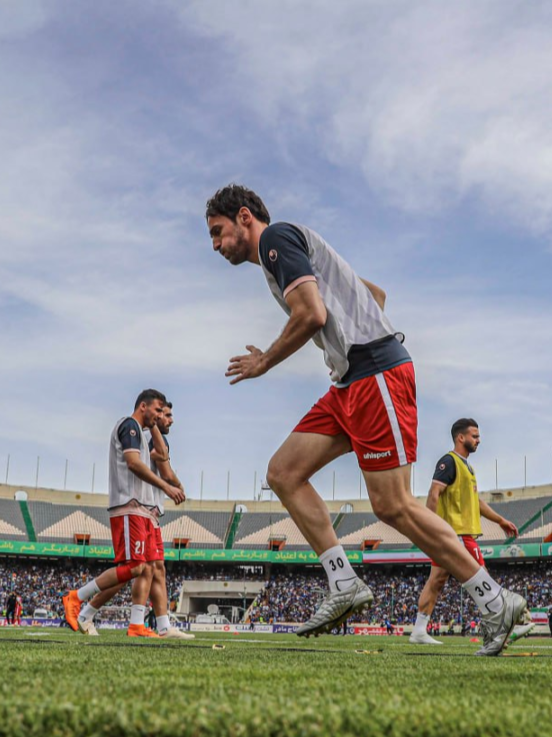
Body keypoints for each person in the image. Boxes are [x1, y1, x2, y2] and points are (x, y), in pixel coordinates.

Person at [205, 185, 526, 657]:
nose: (215, 245)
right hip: (349, 382)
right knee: (283, 472)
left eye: (217, 232)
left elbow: (312, 314)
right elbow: (373, 293)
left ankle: (494, 600)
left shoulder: (275, 240)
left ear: (244, 217)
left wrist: (266, 362)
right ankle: (343, 583)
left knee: (393, 505)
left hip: (374, 372)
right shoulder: (289, 250)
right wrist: (356, 317)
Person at [62, 390, 186, 637]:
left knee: (146, 567)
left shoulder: (143, 432)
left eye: (165, 413)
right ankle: (77, 598)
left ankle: (142, 624)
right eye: (159, 411)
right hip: (130, 505)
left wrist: (155, 428)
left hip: (142, 509)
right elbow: (135, 463)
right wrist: (168, 485)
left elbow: (161, 457)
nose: (164, 417)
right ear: (143, 406)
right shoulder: (129, 426)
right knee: (134, 567)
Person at [408, 419, 520, 646]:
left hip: (458, 534)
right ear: (461, 437)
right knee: (483, 580)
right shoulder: (449, 461)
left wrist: (500, 520)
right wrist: (430, 526)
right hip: (457, 534)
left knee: (436, 581)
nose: (479, 440)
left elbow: (475, 502)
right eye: (475, 436)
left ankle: (419, 630)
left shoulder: (467, 467)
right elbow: (434, 492)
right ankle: (497, 633)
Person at [142, 403, 193, 640]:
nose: (171, 420)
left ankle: (163, 627)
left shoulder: (153, 438)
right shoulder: (155, 438)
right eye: (168, 415)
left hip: (150, 511)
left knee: (156, 567)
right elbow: (165, 470)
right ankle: (83, 604)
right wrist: (178, 486)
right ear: (158, 414)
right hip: (144, 509)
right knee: (140, 569)